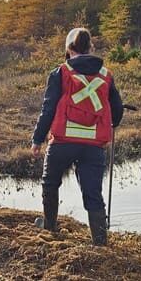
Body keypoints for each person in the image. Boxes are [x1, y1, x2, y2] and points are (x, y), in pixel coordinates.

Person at [31, 27, 124, 245]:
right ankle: (100, 242)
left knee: (50, 183)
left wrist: (37, 140)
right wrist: (113, 123)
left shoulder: (60, 73)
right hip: (93, 146)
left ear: (69, 48)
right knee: (93, 193)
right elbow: (117, 109)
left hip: (62, 142)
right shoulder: (105, 75)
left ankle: (50, 227)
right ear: (90, 47)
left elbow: (49, 108)